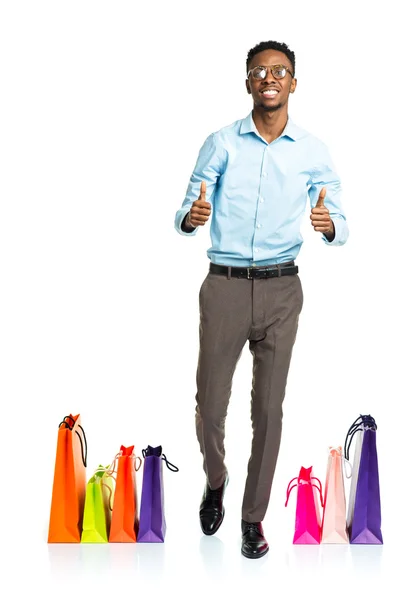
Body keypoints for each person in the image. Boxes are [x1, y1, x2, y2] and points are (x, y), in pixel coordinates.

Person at [174, 40, 348, 559]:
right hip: (224, 286)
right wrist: (191, 217)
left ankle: (253, 518)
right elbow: (187, 206)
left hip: (281, 290)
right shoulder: (221, 142)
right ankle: (215, 479)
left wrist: (331, 225)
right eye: (259, 70)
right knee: (210, 405)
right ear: (247, 82)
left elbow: (339, 216)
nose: (269, 77)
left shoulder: (313, 150)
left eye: (280, 70)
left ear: (294, 82)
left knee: (268, 410)